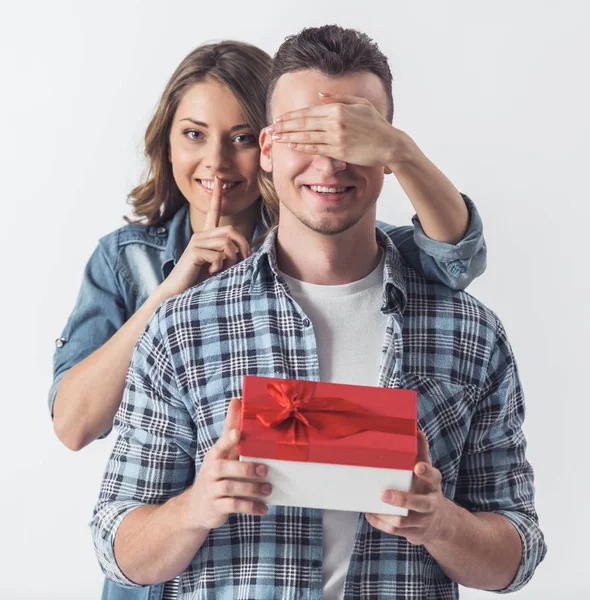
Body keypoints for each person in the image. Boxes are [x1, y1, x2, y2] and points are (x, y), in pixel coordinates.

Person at [56, 35, 488, 600]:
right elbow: (74, 426)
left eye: (238, 138)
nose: (215, 162)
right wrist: (176, 292)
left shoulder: (330, 223)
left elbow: (457, 257)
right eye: (193, 134)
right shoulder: (132, 262)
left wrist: (396, 150)